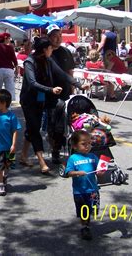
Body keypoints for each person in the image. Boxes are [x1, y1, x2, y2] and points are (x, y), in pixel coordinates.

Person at [19, 39, 89, 173]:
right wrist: (50, 90)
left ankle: (23, 155)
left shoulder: (48, 60)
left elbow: (62, 74)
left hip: (41, 99)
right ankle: (41, 161)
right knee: (34, 128)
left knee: (33, 127)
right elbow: (32, 83)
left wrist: (79, 85)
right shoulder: (30, 62)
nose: (52, 50)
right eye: (51, 48)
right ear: (45, 49)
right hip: (29, 100)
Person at [65, 130, 103, 241]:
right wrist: (77, 173)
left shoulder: (93, 157)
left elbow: (99, 171)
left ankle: (87, 223)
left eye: (89, 143)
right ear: (75, 146)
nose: (87, 146)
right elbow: (68, 173)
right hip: (80, 191)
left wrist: (100, 173)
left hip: (93, 189)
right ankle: (85, 227)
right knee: (83, 210)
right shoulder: (73, 158)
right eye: (83, 144)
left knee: (92, 209)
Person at [47, 24, 76, 164]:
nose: (58, 39)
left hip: (65, 92)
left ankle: (63, 148)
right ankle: (55, 149)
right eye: (54, 36)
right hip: (50, 94)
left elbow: (70, 71)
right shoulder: (46, 52)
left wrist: (73, 89)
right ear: (49, 37)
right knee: (54, 124)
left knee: (66, 123)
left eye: (60, 36)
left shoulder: (66, 52)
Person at [0, 32, 18, 101]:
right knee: (10, 88)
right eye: (9, 38)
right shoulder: (10, 48)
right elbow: (14, 59)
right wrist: (16, 68)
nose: (9, 40)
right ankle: (9, 106)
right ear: (5, 39)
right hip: (9, 70)